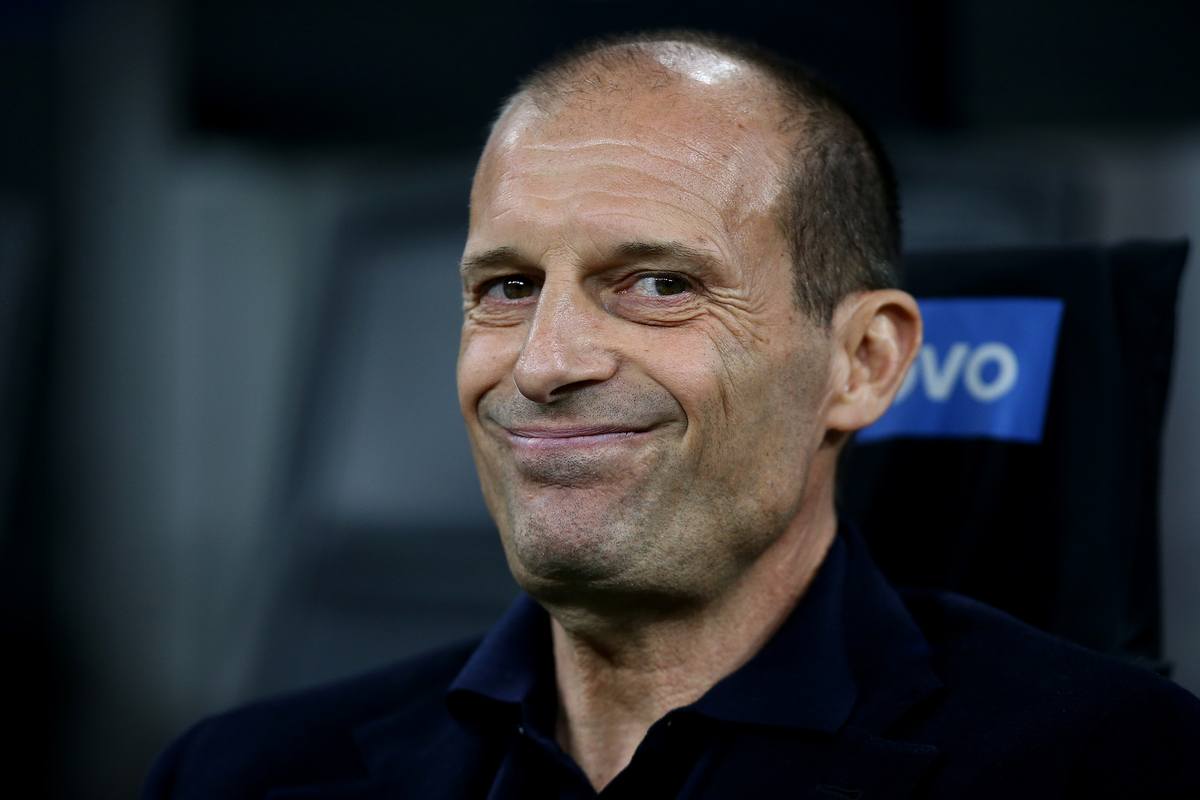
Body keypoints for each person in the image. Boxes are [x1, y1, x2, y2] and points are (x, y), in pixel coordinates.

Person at [145, 30, 1200, 798]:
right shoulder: (236, 774)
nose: (544, 362)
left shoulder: (1111, 768)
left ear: (863, 362)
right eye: (507, 287)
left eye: (657, 283)